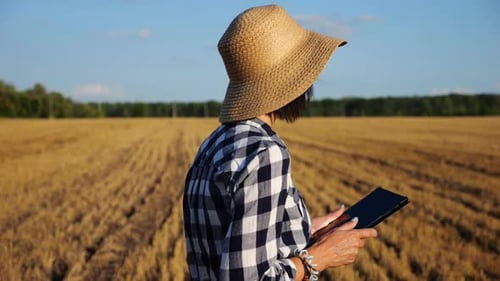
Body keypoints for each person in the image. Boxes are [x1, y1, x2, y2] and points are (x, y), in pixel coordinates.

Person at [183, 4, 377, 280]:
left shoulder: (214, 144)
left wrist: (303, 230)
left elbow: (230, 243)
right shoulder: (264, 153)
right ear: (296, 82)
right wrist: (319, 258)